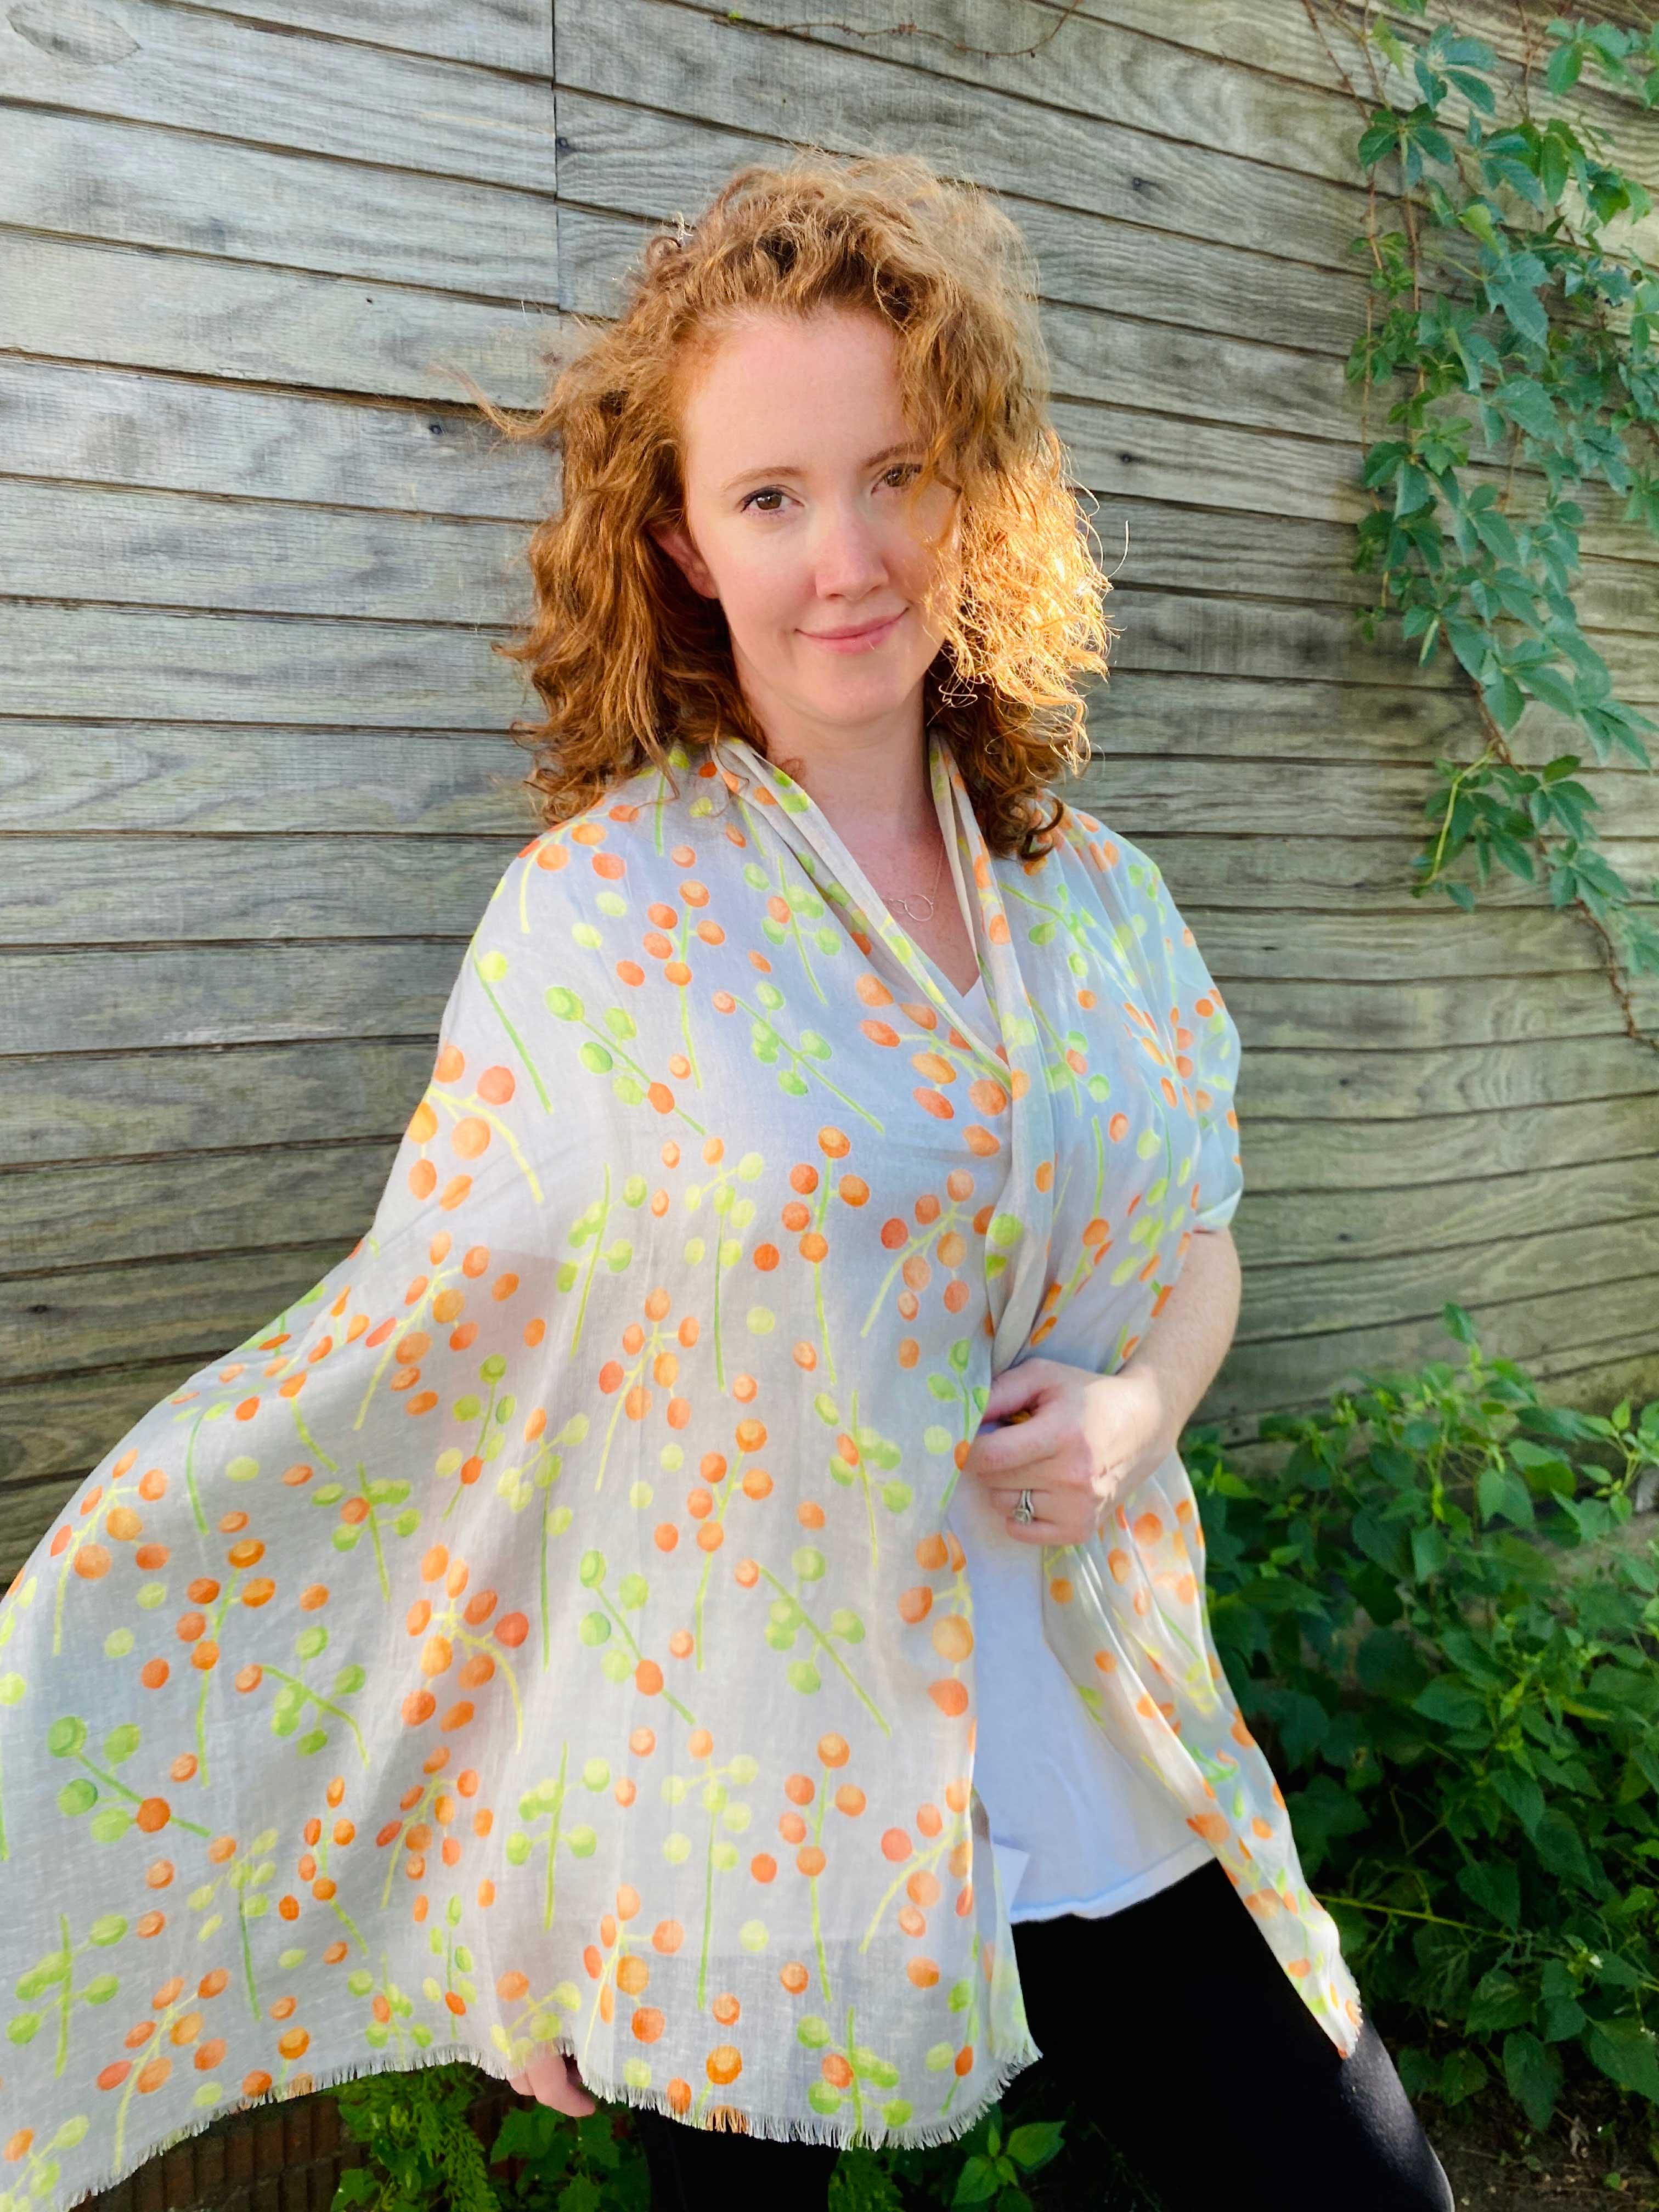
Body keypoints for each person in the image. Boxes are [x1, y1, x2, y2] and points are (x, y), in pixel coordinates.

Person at [0, 150, 1452, 2212]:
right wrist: (513, 1877)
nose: (844, 556)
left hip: (1103, 1737)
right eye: (770, 497)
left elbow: (1194, 1237)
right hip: (740, 1817)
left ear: (976, 490)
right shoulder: (596, 926)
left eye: (896, 474)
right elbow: (475, 1407)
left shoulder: (1098, 900)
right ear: (681, 537)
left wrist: (1141, 1413)